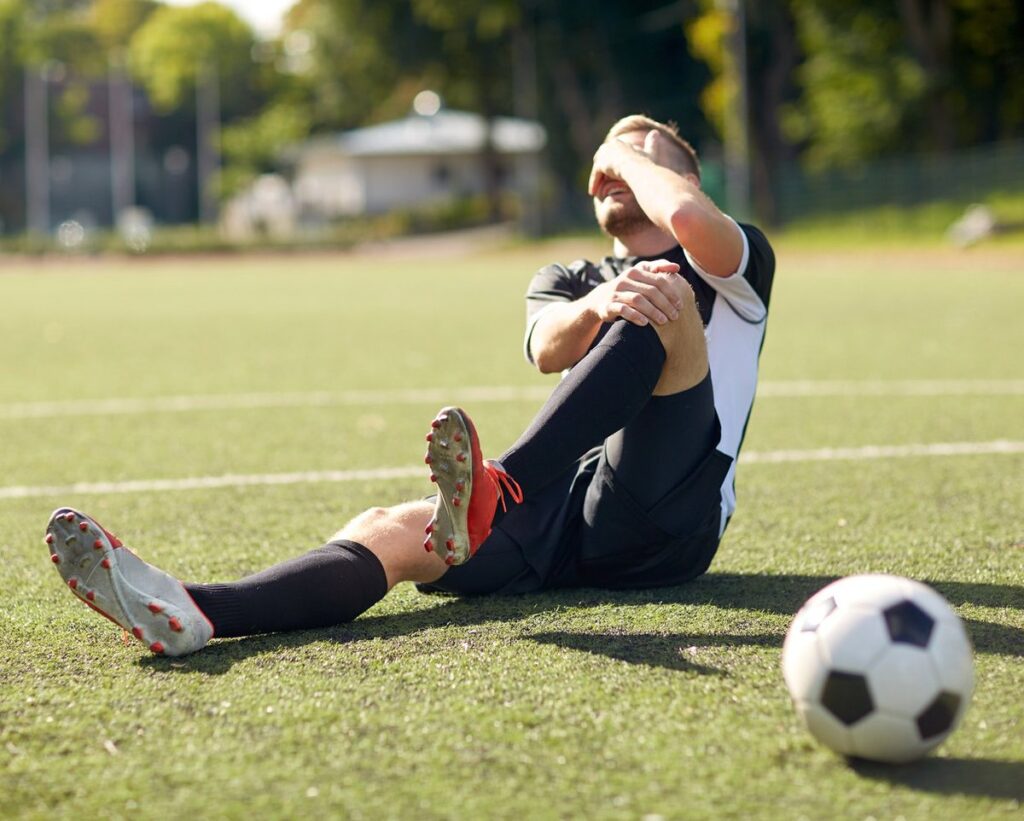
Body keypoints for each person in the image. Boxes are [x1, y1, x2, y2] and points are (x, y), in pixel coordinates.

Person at [45, 115, 775, 657]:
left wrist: (621, 149)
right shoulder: (565, 278)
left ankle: (499, 486)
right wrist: (597, 301)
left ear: (686, 178)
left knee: (661, 294)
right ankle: (194, 609)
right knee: (393, 527)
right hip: (567, 514)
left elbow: (681, 215)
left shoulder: (733, 261)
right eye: (607, 163)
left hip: (671, 519)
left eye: (641, 159)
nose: (616, 168)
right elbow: (549, 350)